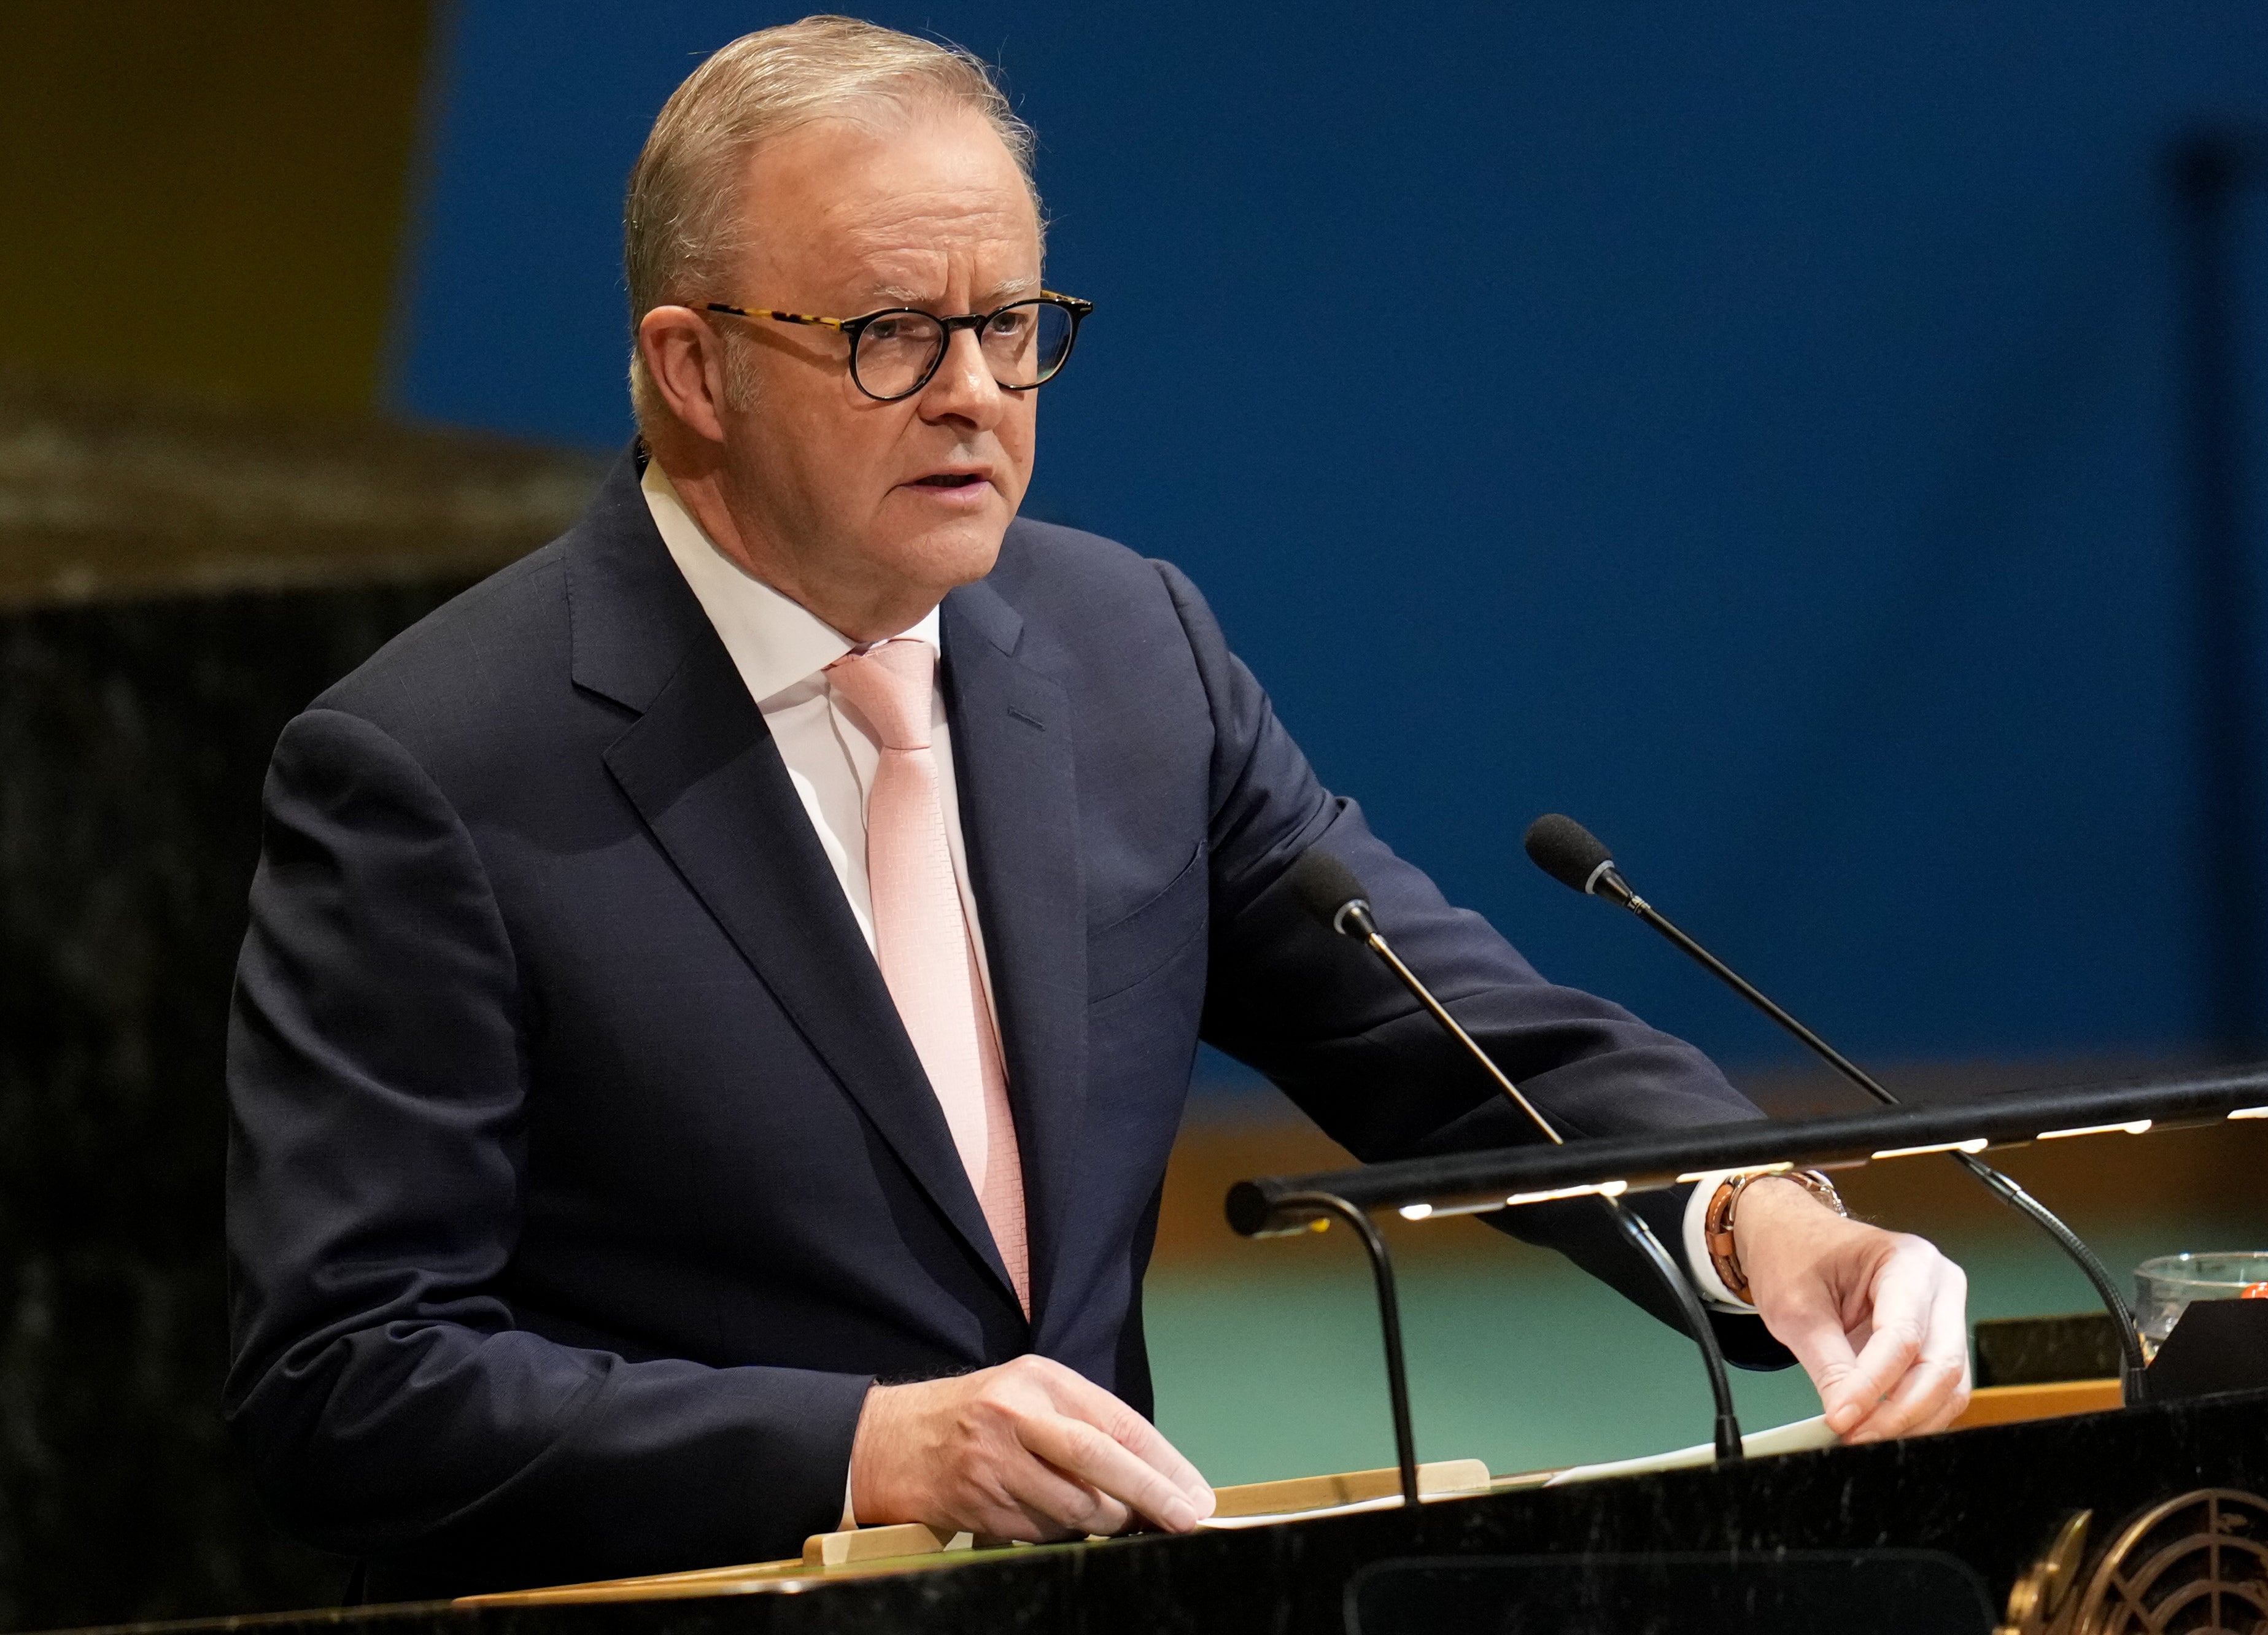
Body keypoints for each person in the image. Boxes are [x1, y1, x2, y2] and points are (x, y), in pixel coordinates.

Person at [223, 16, 1969, 1599]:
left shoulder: (1129, 651)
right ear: (696, 371)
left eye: (1011, 326)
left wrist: (1762, 1225)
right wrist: (867, 1446)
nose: (978, 390)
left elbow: (1456, 1046)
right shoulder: (433, 770)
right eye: (896, 335)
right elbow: (350, 1383)